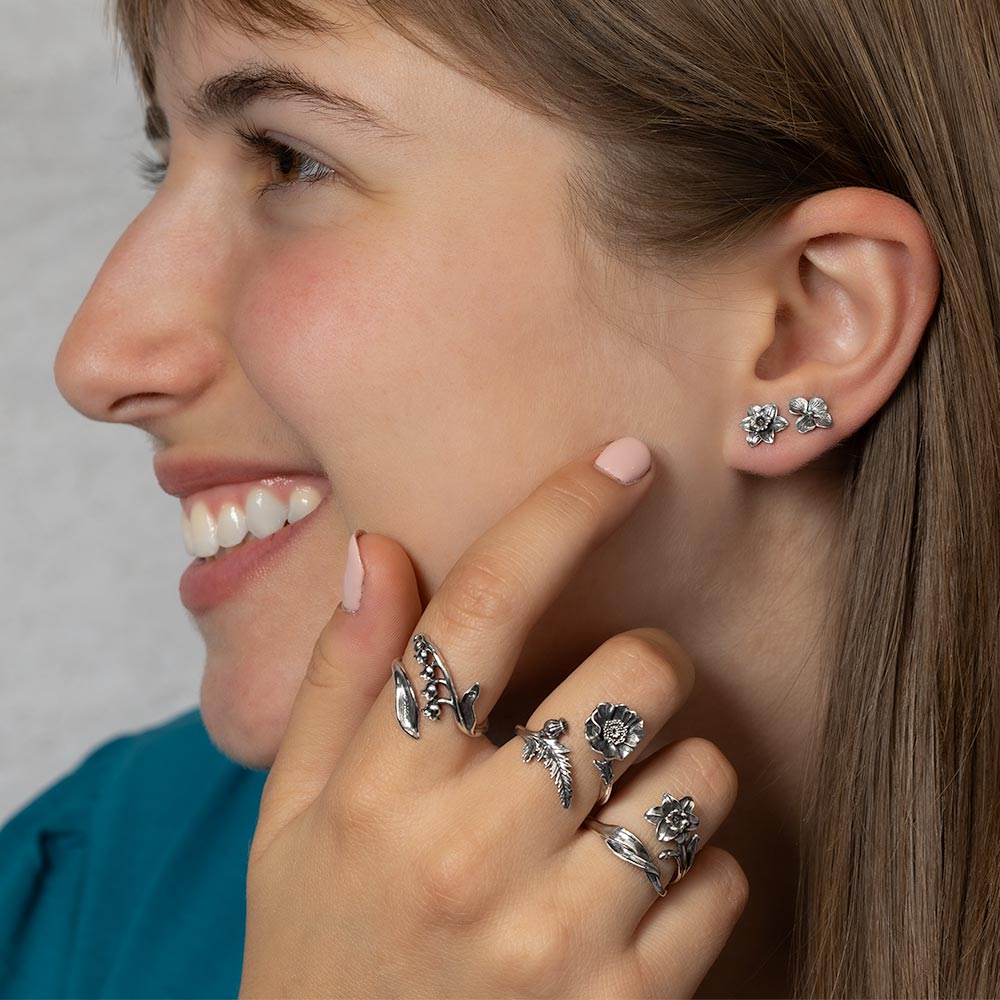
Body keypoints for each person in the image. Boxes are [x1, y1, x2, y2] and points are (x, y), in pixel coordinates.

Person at [3, 0, 997, 996]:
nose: (98, 358)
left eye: (287, 160)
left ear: (807, 323)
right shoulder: (68, 913)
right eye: (159, 160)